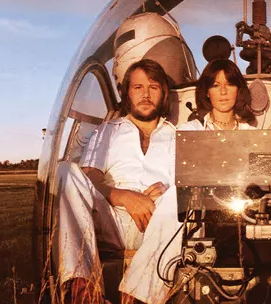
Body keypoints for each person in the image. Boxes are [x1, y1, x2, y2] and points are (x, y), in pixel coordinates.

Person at [120, 58, 256, 303]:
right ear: (207, 92)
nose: (223, 91)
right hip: (200, 214)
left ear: (239, 90)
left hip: (242, 214)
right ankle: (138, 296)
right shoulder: (189, 130)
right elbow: (177, 177)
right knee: (175, 198)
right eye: (216, 85)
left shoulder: (253, 134)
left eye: (229, 84)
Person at [55, 58, 177, 304]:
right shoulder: (108, 130)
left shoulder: (176, 134)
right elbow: (90, 175)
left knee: (179, 196)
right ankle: (84, 290)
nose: (145, 95)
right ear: (127, 93)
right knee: (67, 171)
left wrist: (166, 192)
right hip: (111, 219)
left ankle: (135, 296)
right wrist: (124, 197)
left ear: (164, 93)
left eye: (153, 87)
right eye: (138, 87)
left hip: (159, 223)